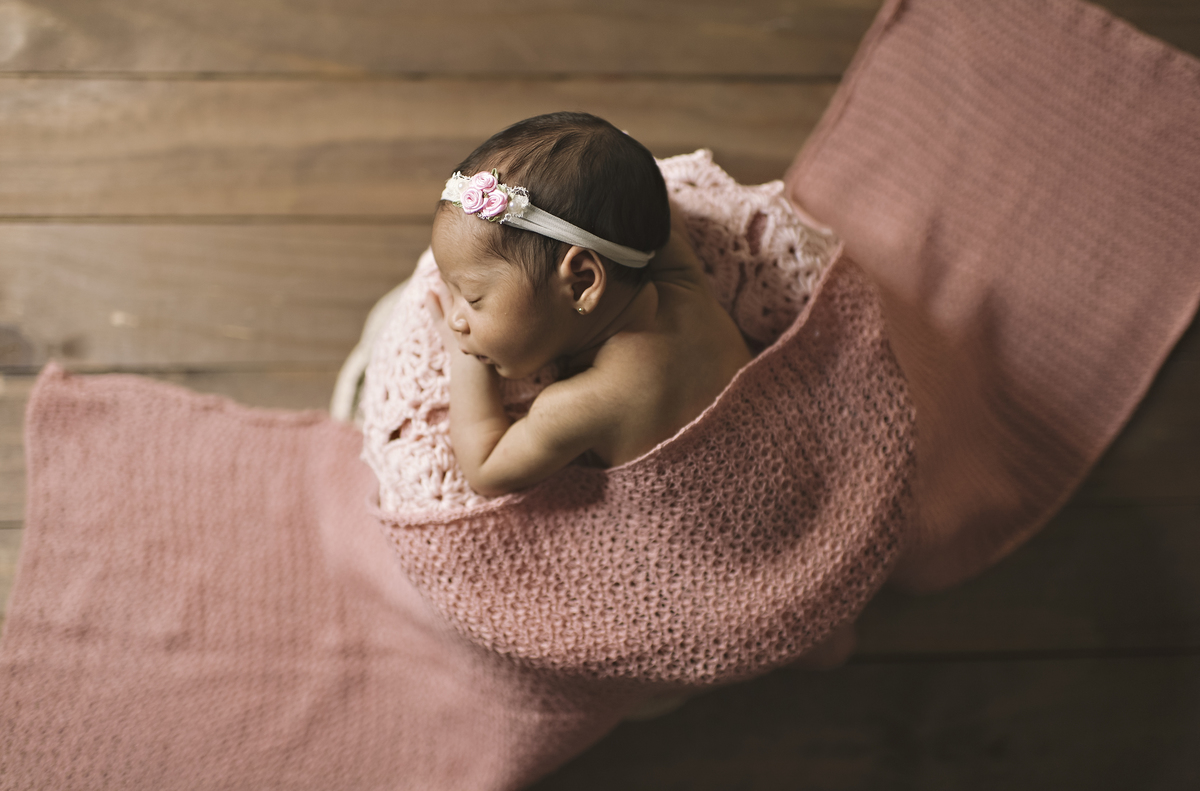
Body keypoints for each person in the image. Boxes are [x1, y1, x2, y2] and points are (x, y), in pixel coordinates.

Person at [425, 112, 752, 496]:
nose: (457, 318)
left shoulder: (586, 402)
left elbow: (485, 469)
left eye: (474, 299)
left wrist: (462, 359)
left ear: (581, 281)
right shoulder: (683, 279)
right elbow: (651, 204)